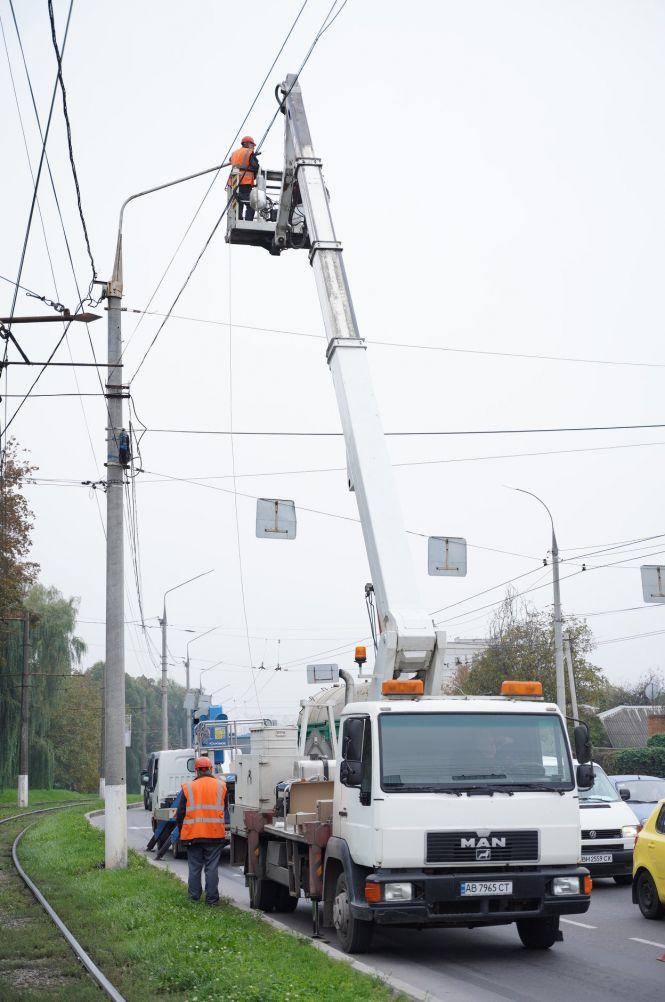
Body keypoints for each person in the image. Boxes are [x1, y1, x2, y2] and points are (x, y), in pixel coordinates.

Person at [176, 756, 227, 906]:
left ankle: (194, 899)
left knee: (194, 867)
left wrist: (181, 832)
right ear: (211, 769)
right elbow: (223, 808)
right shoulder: (221, 786)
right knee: (211, 868)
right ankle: (212, 900)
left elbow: (180, 813)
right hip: (214, 834)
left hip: (193, 835)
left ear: (196, 770)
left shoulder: (188, 787)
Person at [227, 136, 259, 221]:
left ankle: (239, 219)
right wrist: (254, 157)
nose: (253, 147)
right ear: (246, 143)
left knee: (238, 202)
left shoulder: (234, 153)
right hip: (245, 181)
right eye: (252, 144)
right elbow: (255, 166)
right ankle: (248, 221)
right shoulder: (249, 152)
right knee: (251, 204)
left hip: (234, 182)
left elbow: (231, 161)